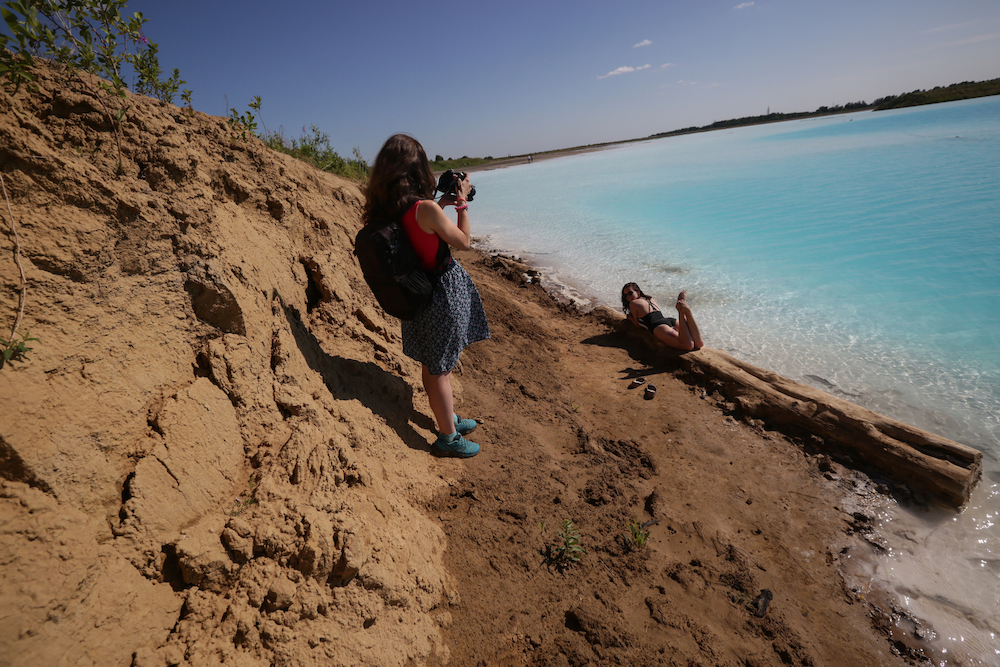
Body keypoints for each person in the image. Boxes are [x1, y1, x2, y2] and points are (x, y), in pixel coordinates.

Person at [363, 134, 490, 458]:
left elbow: (418, 229)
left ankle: (447, 419)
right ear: (418, 168)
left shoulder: (392, 209)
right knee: (441, 370)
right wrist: (461, 202)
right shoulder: (426, 208)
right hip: (442, 293)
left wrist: (441, 205)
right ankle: (448, 437)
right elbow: (463, 241)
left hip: (419, 292)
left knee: (432, 366)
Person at [621, 282, 704, 351]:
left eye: (630, 293)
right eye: (625, 295)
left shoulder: (633, 303)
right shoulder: (650, 298)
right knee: (699, 343)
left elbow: (637, 325)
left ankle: (681, 313)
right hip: (670, 320)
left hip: (658, 326)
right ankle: (688, 313)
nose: (628, 297)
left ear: (638, 292)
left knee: (688, 345)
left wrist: (631, 318)